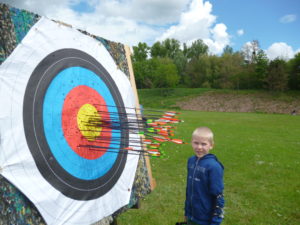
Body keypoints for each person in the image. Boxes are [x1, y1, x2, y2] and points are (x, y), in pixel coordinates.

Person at [184, 127, 225, 225]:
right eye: (196, 143)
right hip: (191, 215)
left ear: (211, 145)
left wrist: (215, 222)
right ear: (191, 142)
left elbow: (218, 196)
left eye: (203, 144)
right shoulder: (191, 161)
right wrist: (186, 212)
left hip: (206, 219)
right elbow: (189, 190)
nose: (199, 147)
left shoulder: (214, 167)